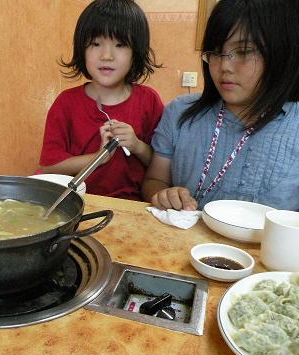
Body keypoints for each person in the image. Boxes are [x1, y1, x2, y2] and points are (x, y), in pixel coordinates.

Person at [142, 0, 299, 211]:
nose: (224, 66)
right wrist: (163, 195)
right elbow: (155, 180)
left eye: (243, 52)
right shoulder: (179, 112)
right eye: (216, 53)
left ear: (281, 53)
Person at [38, 0, 164, 200]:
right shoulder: (66, 103)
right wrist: (99, 157)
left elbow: (162, 169)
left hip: (132, 207)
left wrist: (137, 145)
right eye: (95, 44)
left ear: (136, 52)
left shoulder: (149, 101)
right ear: (82, 49)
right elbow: (50, 166)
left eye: (120, 44)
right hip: (78, 203)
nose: (106, 55)